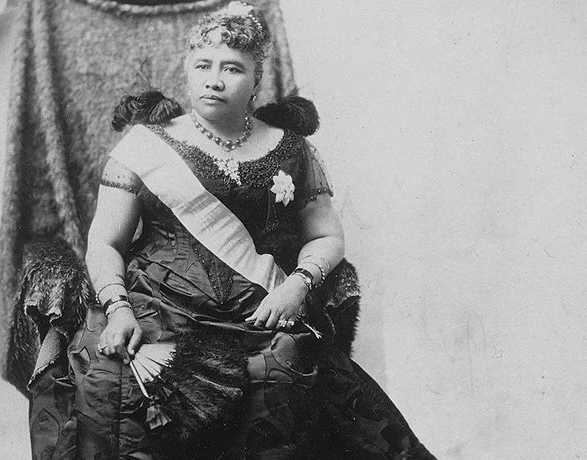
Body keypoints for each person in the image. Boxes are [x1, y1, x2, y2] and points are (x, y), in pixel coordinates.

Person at [29, 2, 436, 459]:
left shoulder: (290, 148)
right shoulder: (147, 144)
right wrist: (118, 308)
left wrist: (296, 287)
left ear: (256, 80)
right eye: (203, 65)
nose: (214, 80)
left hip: (256, 308)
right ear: (187, 70)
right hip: (155, 303)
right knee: (111, 380)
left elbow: (326, 235)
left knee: (284, 376)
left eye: (232, 68)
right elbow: (105, 241)